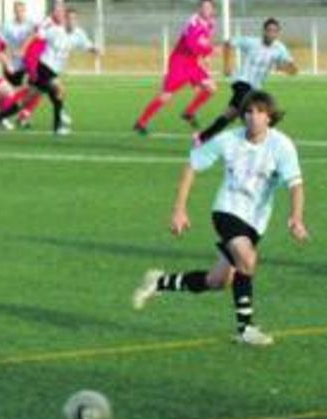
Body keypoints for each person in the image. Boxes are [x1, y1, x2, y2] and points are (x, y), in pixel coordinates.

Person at [132, 91, 308, 346]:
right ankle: (245, 329)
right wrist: (179, 209)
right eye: (248, 111)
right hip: (226, 211)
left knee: (217, 281)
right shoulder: (228, 140)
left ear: (270, 117)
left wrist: (296, 216)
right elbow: (192, 165)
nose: (252, 117)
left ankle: (159, 282)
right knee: (247, 258)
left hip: (256, 221)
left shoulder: (282, 145)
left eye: (259, 112)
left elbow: (296, 184)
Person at [198, 18, 297, 144]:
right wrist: (227, 65)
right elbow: (229, 43)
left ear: (278, 33)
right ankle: (255, 137)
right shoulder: (252, 42)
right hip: (242, 82)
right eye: (269, 30)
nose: (271, 33)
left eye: (274, 31)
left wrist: (285, 68)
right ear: (264, 31)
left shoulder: (279, 48)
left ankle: (203, 137)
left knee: (230, 114)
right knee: (256, 111)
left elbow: (293, 70)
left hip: (256, 87)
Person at [134, 0, 217, 135]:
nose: (206, 10)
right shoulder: (193, 23)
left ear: (213, 11)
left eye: (209, 8)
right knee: (166, 95)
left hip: (193, 63)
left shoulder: (210, 23)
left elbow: (205, 41)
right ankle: (141, 122)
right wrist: (207, 52)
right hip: (180, 62)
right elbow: (192, 44)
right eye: (203, 7)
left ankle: (188, 112)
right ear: (199, 9)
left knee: (211, 88)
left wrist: (205, 55)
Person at [21, 7, 98, 135]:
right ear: (64, 19)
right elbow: (37, 34)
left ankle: (5, 115)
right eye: (68, 18)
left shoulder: (78, 33)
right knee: (58, 90)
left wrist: (95, 50)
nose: (71, 20)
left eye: (73, 18)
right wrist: (24, 48)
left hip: (54, 69)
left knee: (36, 94)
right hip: (44, 66)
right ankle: (58, 120)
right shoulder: (54, 29)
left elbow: (86, 44)